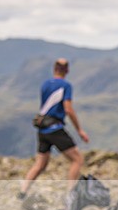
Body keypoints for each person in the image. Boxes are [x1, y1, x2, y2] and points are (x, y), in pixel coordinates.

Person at [19, 58, 89, 198]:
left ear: (54, 69)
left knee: (40, 164)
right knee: (77, 160)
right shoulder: (65, 86)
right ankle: (70, 194)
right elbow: (68, 109)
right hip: (55, 128)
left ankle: (23, 191)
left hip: (42, 129)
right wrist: (79, 130)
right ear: (67, 70)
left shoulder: (45, 84)